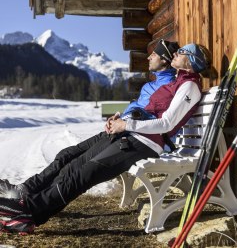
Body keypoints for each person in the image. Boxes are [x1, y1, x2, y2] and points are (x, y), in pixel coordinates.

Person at [0, 43, 212, 235]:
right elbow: (151, 112)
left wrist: (126, 124)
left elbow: (167, 124)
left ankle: (27, 211)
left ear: (191, 61)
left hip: (145, 143)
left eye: (182, 52)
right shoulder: (179, 83)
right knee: (74, 168)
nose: (177, 53)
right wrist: (125, 121)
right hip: (131, 136)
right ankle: (28, 210)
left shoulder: (189, 86)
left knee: (84, 174)